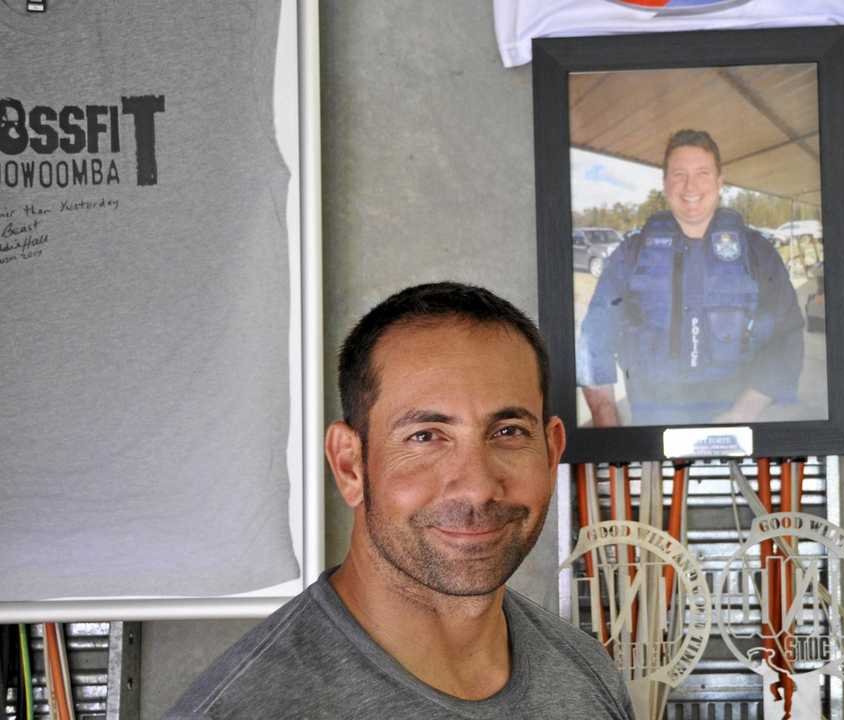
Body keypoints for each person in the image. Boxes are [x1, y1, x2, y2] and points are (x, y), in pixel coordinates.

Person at [166, 283, 634, 719]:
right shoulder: (250, 706)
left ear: (552, 451)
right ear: (350, 465)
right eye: (426, 436)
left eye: (508, 432)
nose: (476, 486)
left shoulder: (586, 675)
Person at [577, 129, 804, 427]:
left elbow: (787, 336)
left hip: (738, 419)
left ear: (720, 183)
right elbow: (595, 338)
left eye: (702, 173)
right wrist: (606, 418)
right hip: (652, 421)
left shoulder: (758, 253)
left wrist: (742, 413)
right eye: (679, 174)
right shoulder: (629, 254)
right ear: (665, 184)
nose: (690, 186)